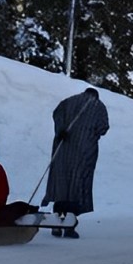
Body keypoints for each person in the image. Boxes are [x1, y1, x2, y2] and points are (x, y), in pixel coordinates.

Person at [42, 87, 109, 238]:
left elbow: (56, 114)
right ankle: (69, 226)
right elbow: (103, 127)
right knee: (76, 188)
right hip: (83, 154)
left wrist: (61, 131)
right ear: (95, 96)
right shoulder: (98, 106)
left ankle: (56, 225)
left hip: (62, 151)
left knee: (61, 186)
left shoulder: (67, 102)